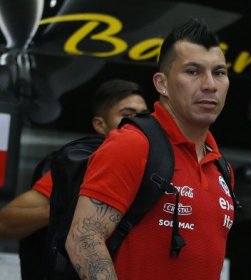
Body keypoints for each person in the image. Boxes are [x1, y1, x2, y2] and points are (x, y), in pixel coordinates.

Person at [65, 17, 234, 280]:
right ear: (161, 84)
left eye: (219, 73)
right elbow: (83, 238)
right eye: (193, 71)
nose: (210, 85)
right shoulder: (132, 144)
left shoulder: (222, 167)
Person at [0, 78, 148, 279]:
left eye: (144, 116)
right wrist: (70, 210)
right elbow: (6, 223)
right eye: (127, 115)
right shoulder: (82, 166)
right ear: (100, 124)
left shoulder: (159, 167)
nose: (137, 122)